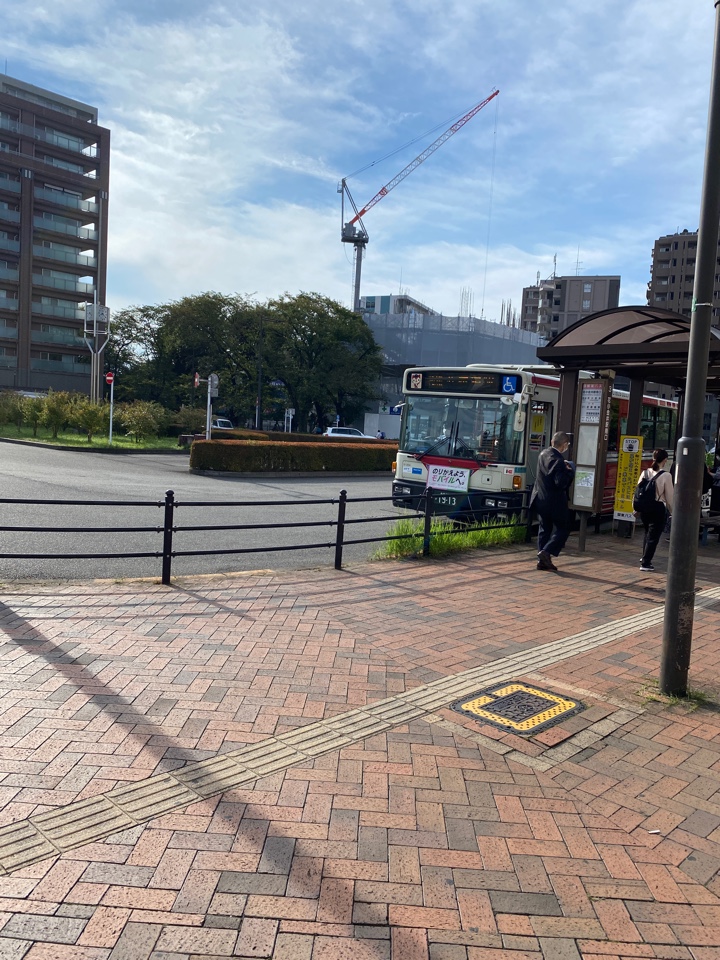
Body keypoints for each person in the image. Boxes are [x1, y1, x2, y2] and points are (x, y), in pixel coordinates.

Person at [529, 431, 576, 571]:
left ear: (552, 441)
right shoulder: (559, 461)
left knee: (544, 529)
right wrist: (569, 471)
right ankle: (546, 552)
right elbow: (560, 483)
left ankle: (542, 561)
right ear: (565, 445)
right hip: (555, 501)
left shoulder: (542, 454)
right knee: (564, 527)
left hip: (540, 499)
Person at [637, 448, 673, 572]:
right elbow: (669, 497)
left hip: (644, 508)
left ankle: (644, 557)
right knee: (653, 537)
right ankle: (646, 563)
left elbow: (637, 491)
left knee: (647, 534)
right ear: (665, 460)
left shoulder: (645, 472)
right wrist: (672, 512)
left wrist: (635, 508)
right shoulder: (666, 475)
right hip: (657, 508)